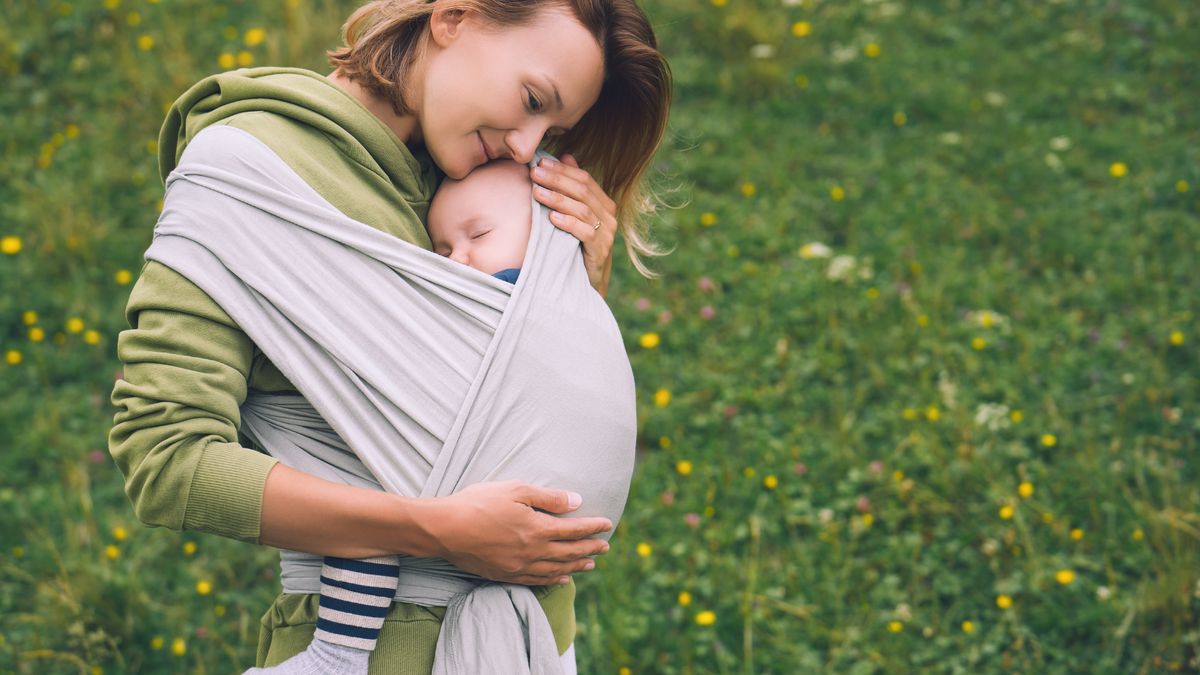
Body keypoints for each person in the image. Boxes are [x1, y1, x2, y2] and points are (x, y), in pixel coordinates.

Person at [107, 0, 671, 671]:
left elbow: (502, 409)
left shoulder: (485, 191)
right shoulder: (251, 174)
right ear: (454, 19)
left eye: (552, 127)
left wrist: (575, 285)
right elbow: (165, 457)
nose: (528, 144)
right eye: (530, 99)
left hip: (534, 643)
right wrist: (434, 528)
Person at [249, 160, 540, 675]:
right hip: (451, 488)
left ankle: (337, 656)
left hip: (482, 493)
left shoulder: (525, 296)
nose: (461, 261)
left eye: (480, 234)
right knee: (361, 509)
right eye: (443, 250)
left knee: (363, 509)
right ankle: (339, 655)